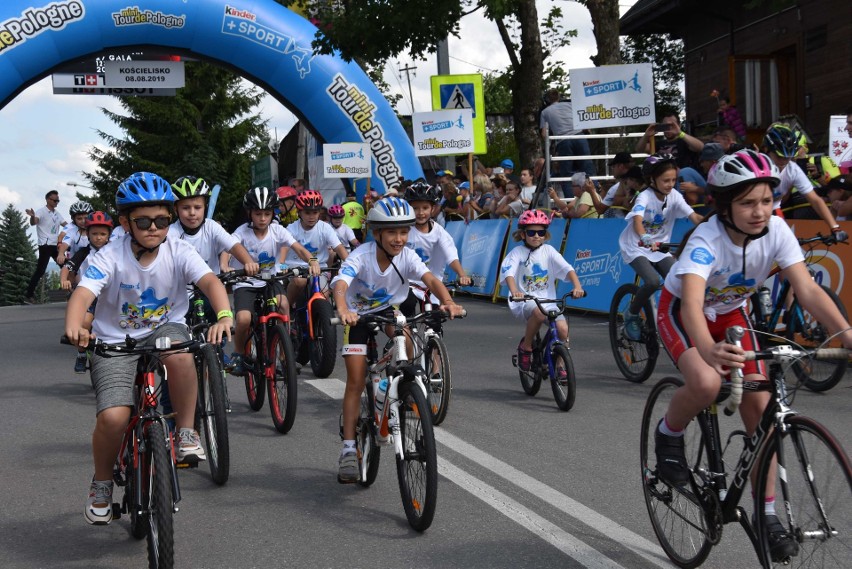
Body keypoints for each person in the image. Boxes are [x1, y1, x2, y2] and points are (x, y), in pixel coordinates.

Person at [652, 149, 852, 562]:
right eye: (747, 203)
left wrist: (846, 333)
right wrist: (707, 351)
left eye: (766, 200)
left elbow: (810, 290)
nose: (759, 211)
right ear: (724, 207)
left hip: (731, 316)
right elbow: (690, 305)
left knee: (763, 413)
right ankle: (668, 435)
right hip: (682, 313)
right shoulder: (707, 239)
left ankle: (767, 515)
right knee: (707, 382)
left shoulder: (777, 230)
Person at [64, 172, 235, 525]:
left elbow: (209, 280)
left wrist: (223, 314)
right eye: (144, 221)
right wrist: (74, 325)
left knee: (179, 351)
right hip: (114, 341)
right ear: (125, 223)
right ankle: (102, 483)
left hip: (164, 328)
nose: (154, 227)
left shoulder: (178, 249)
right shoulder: (110, 255)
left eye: (162, 220)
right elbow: (84, 292)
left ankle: (186, 431)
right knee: (114, 417)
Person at [332, 197, 463, 483]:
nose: (399, 238)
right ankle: (348, 448)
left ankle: (395, 387)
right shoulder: (361, 256)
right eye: (392, 232)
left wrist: (449, 301)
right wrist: (343, 310)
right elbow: (341, 285)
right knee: (355, 380)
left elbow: (430, 279)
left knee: (407, 341)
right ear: (376, 233)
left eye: (404, 231)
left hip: (390, 310)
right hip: (357, 315)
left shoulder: (408, 256)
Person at [228, 187, 319, 375]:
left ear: (273, 214)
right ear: (249, 213)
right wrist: (225, 266)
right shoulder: (241, 232)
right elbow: (228, 249)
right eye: (258, 213)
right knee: (243, 319)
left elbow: (298, 248)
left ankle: (285, 356)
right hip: (246, 282)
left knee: (284, 305)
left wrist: (311, 260)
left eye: (267, 214)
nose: (262, 218)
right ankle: (239, 354)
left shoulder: (278, 230)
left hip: (270, 280)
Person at [619, 154, 704, 341]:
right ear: (652, 179)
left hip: (660, 248)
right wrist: (646, 238)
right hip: (636, 246)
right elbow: (637, 221)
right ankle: (631, 313)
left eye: (673, 180)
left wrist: (713, 224)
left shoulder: (674, 197)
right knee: (652, 281)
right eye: (666, 180)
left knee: (680, 281)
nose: (670, 184)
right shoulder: (645, 197)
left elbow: (694, 216)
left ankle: (677, 317)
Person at [500, 209, 584, 371]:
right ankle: (526, 347)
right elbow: (509, 273)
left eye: (541, 232)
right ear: (523, 235)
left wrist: (577, 286)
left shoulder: (549, 251)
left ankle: (560, 365)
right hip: (526, 301)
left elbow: (568, 269)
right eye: (531, 232)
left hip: (549, 301)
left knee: (563, 329)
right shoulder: (517, 252)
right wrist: (515, 291)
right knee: (538, 314)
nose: (536, 236)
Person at [168, 175, 259, 321]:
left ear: (205, 207)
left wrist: (248, 261)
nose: (192, 213)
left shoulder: (211, 226)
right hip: (183, 294)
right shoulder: (170, 233)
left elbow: (233, 246)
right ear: (175, 209)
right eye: (185, 208)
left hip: (211, 289)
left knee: (222, 328)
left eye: (197, 207)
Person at [399, 181, 472, 324]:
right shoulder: (403, 230)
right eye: (415, 208)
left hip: (432, 283)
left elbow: (451, 256)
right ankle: (406, 340)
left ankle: (434, 344)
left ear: (433, 209)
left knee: (435, 321)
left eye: (425, 208)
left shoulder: (439, 232)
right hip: (408, 283)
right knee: (406, 311)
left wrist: (462, 274)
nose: (420, 212)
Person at [763, 124, 847, 240]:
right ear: (767, 150)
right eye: (779, 157)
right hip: (752, 215)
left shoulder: (792, 169)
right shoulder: (756, 166)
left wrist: (835, 228)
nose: (783, 162)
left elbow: (815, 200)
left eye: (788, 157)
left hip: (775, 213)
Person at [60, 211, 113, 374]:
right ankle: (82, 354)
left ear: (109, 235)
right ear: (88, 234)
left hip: (110, 297)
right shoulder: (83, 252)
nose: (98, 237)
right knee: (83, 324)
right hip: (88, 297)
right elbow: (68, 267)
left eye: (103, 234)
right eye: (94, 233)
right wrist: (64, 279)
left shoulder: (115, 252)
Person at [284, 190, 349, 308]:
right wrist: (281, 265)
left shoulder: (325, 228)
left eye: (315, 212)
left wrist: (351, 264)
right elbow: (282, 250)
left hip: (319, 269)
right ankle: (286, 309)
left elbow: (339, 247)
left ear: (320, 212)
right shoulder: (291, 229)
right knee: (300, 281)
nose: (311, 216)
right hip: (295, 268)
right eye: (307, 213)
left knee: (324, 295)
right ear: (299, 212)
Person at [540, 89, 595, 181]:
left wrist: (551, 144)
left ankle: (568, 195)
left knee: (566, 173)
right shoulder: (571, 105)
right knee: (587, 167)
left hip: (563, 141)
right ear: (559, 97)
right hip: (579, 137)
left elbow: (544, 134)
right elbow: (583, 121)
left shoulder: (545, 112)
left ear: (547, 100)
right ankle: (594, 189)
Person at [24, 190, 67, 303]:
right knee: (41, 270)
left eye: (58, 200)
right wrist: (32, 217)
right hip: (45, 244)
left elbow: (66, 225)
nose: (57, 202)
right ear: (48, 200)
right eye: (55, 200)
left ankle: (68, 288)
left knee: (66, 266)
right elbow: (34, 222)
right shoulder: (41, 211)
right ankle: (29, 295)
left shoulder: (57, 214)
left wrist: (79, 225)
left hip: (55, 245)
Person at [635, 113, 704, 170]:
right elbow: (639, 149)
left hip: (681, 178)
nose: (668, 128)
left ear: (679, 125)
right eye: (665, 126)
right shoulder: (659, 144)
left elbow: (700, 147)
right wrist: (646, 135)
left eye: (671, 125)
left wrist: (680, 133)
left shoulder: (684, 141)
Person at [56, 201, 94, 265]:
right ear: (74, 220)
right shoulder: (72, 232)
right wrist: (61, 254)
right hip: (75, 263)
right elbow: (65, 244)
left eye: (86, 218)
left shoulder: (95, 231)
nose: (83, 221)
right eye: (79, 219)